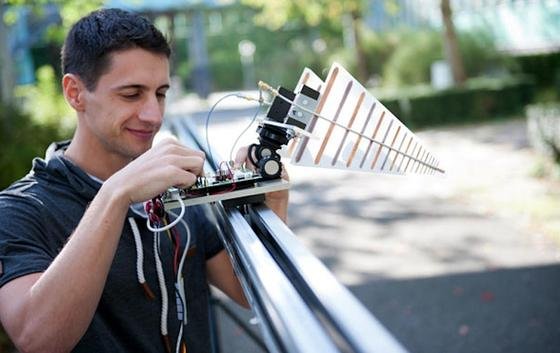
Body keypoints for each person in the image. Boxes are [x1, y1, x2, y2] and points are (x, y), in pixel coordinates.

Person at [0, 8, 288, 353]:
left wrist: (272, 197)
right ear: (75, 93)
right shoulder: (18, 209)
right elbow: (37, 339)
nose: (153, 115)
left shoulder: (173, 188)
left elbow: (247, 291)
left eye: (161, 93)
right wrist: (115, 194)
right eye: (131, 94)